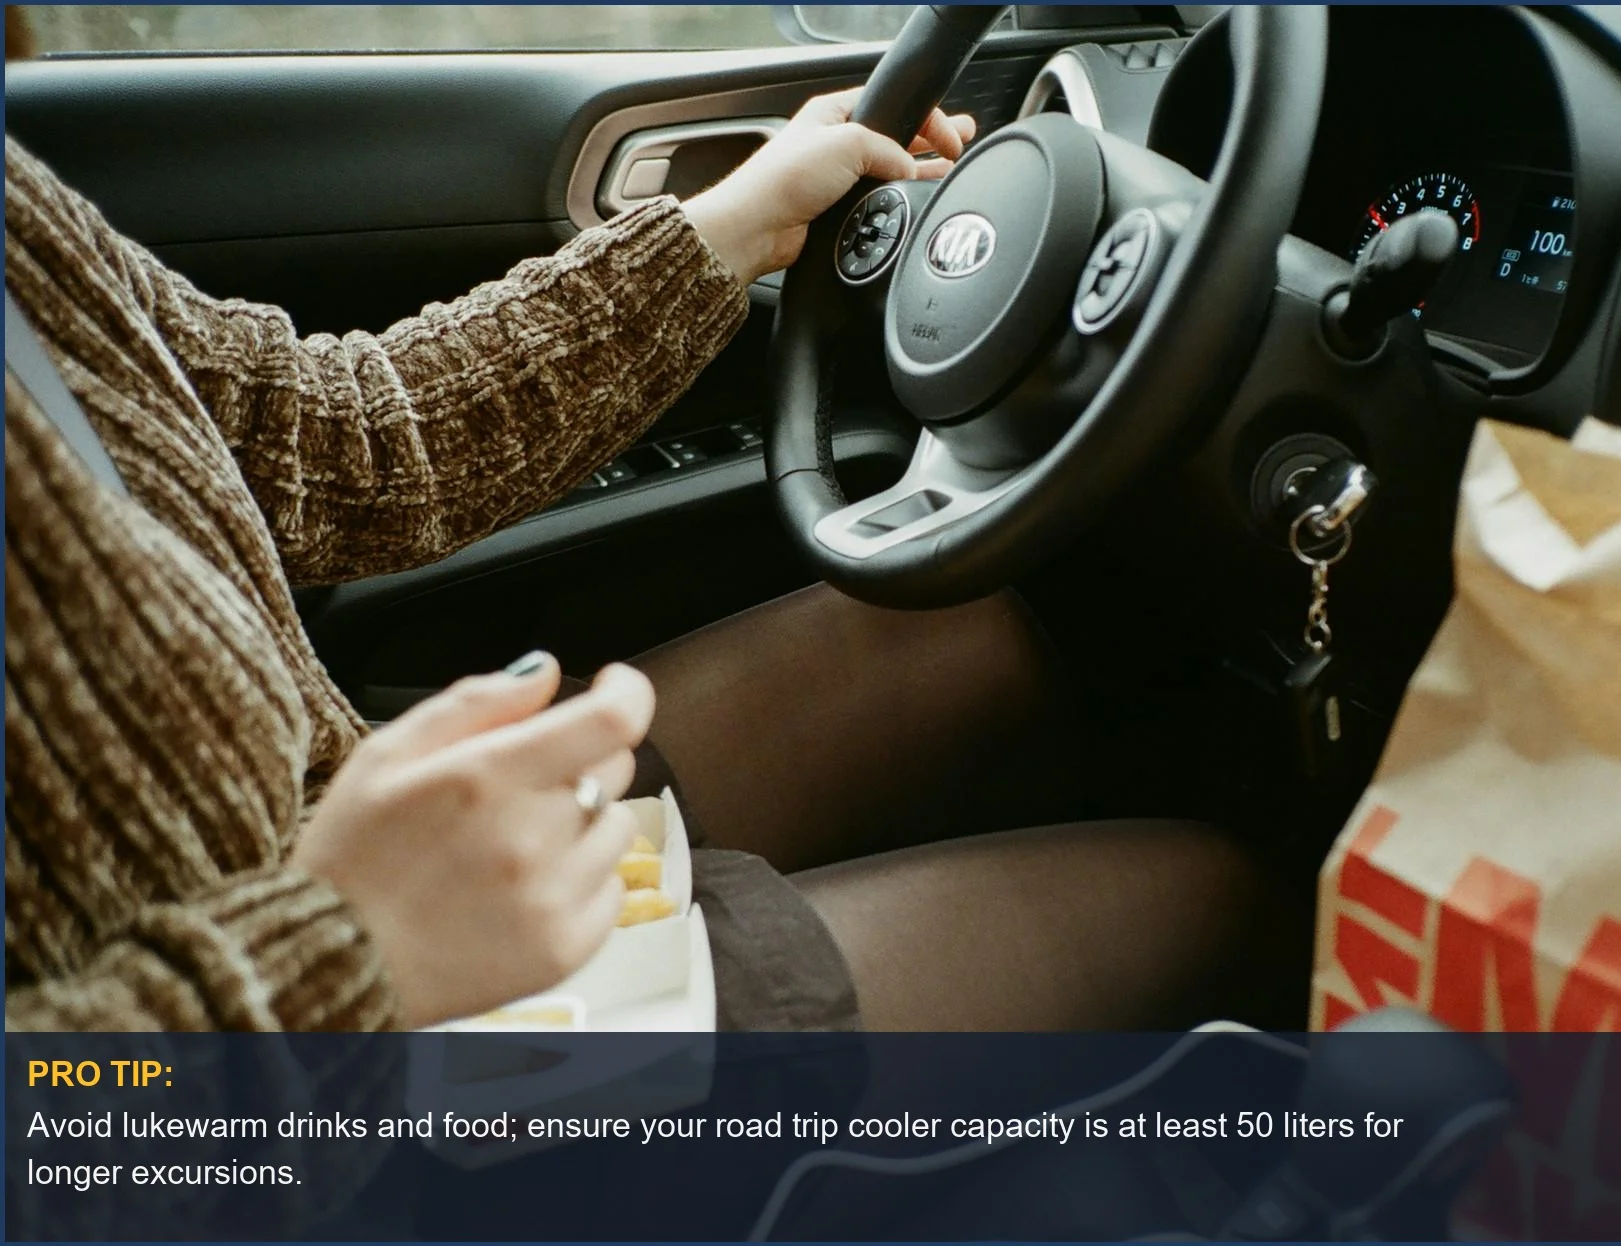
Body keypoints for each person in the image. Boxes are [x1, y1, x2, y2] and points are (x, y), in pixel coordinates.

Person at [4, 15, 1309, 1032]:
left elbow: (320, 438)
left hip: (335, 824)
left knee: (997, 632)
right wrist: (344, 959)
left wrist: (725, 228)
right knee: (1235, 899)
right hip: (321, 1079)